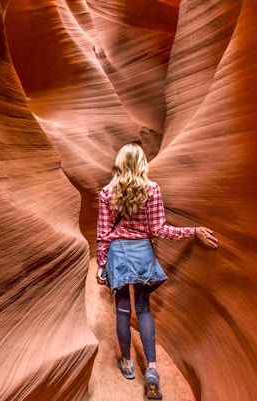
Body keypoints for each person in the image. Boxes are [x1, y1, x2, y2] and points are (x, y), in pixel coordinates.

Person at [95, 143, 218, 399]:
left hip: (118, 253)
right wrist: (192, 231)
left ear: (120, 162)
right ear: (142, 163)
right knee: (143, 308)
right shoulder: (152, 190)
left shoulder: (107, 192)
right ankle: (151, 369)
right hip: (143, 252)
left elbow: (103, 234)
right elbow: (159, 229)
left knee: (122, 309)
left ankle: (127, 363)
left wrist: (101, 264)